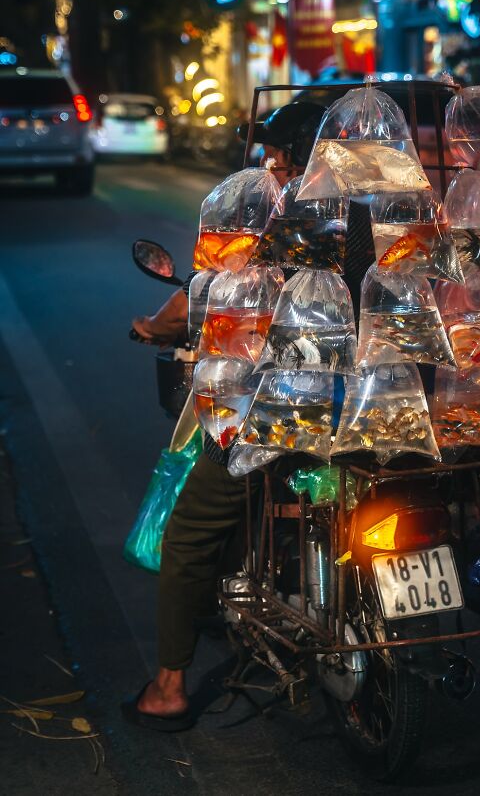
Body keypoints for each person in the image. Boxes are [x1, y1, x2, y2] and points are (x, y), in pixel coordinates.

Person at [122, 101, 375, 731]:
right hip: (376, 413)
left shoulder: (273, 213)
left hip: (283, 415)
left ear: (288, 156)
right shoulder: (378, 214)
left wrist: (155, 326)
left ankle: (169, 688)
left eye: (275, 152)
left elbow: (206, 293)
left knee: (189, 533)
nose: (269, 162)